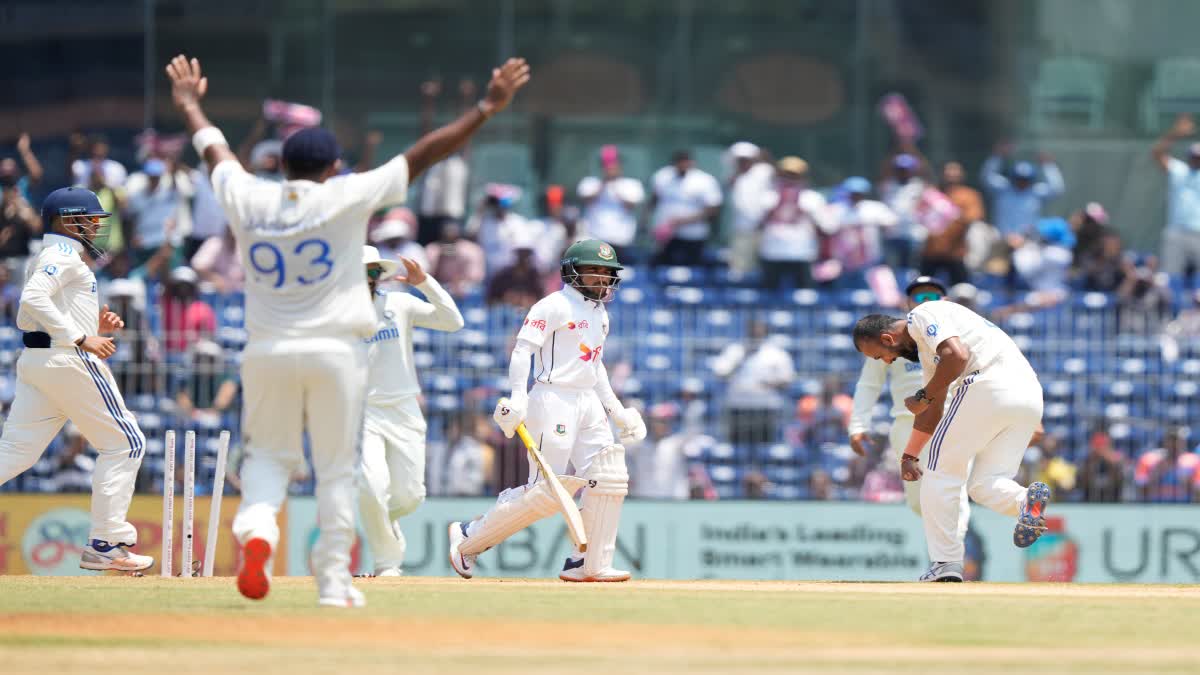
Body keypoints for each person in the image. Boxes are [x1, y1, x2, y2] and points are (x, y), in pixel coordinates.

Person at [167, 52, 528, 606]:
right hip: (335, 351)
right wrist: (484, 107)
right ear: (334, 167)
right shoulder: (346, 195)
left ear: (281, 166)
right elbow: (423, 154)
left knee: (267, 459)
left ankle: (257, 533)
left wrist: (191, 104)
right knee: (340, 473)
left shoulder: (249, 195)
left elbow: (214, 150)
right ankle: (334, 582)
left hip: (266, 350)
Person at [447, 240, 648, 583]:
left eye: (606, 272)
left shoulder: (600, 314)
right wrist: (518, 396)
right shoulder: (552, 305)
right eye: (592, 271)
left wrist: (615, 410)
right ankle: (470, 536)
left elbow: (594, 364)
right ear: (572, 272)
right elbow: (522, 351)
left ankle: (589, 563)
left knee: (609, 476)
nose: (601, 278)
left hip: (587, 401)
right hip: (552, 398)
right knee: (547, 492)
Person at [0, 187, 151, 572]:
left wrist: (90, 324)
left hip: (39, 359)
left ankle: (106, 542)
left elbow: (37, 311)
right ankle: (107, 542)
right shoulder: (62, 254)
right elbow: (32, 299)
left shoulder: (52, 254)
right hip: (67, 358)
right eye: (92, 219)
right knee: (126, 443)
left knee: (16, 453)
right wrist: (82, 337)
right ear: (69, 220)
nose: (97, 227)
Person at [852, 299, 1049, 582]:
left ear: (887, 338)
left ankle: (945, 563)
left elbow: (956, 356)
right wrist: (909, 455)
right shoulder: (930, 352)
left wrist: (922, 395)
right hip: (1029, 396)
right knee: (984, 484)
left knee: (939, 473)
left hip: (987, 385)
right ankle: (1025, 501)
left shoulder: (921, 314)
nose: (887, 361)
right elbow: (931, 410)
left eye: (881, 355)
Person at [358, 245, 463, 577]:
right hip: (360, 413)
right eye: (363, 271)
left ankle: (381, 518)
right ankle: (387, 562)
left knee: (410, 496)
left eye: (374, 272)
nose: (369, 278)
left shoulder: (398, 303)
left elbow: (453, 322)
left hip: (403, 409)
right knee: (371, 486)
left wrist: (425, 283)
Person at [848, 276, 969, 525]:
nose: (926, 302)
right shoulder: (886, 339)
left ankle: (952, 557)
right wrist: (858, 425)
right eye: (919, 297)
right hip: (907, 425)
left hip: (951, 419)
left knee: (951, 493)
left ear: (945, 301)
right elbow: (869, 384)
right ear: (907, 303)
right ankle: (947, 552)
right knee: (918, 503)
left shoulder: (959, 333)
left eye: (933, 297)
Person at [648, 150, 723, 267]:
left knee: (691, 269)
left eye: (685, 162)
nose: (682, 165)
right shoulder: (662, 176)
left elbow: (713, 209)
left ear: (692, 163)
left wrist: (683, 221)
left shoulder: (705, 180)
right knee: (662, 267)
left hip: (693, 235)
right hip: (667, 235)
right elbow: (654, 199)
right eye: (679, 162)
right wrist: (651, 222)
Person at [1151, 114, 1200, 288]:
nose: (1196, 160)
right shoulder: (1179, 170)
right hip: (1176, 230)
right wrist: (1175, 134)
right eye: (1194, 156)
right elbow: (1157, 153)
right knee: (1172, 275)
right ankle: (1175, 312)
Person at [578, 145, 645, 262]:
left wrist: (614, 185)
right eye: (606, 164)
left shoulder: (631, 184)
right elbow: (587, 199)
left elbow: (630, 205)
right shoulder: (590, 182)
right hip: (595, 239)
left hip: (622, 240)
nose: (609, 168)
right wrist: (604, 182)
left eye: (613, 164)